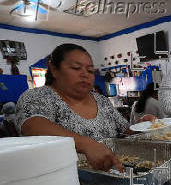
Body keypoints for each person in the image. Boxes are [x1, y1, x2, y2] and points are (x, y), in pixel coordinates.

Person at [15, 44, 155, 172]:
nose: (85, 74)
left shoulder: (102, 101)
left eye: (90, 70)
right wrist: (86, 144)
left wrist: (141, 126)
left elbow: (125, 130)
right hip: (65, 182)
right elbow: (32, 126)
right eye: (76, 68)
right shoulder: (37, 96)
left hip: (115, 174)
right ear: (54, 70)